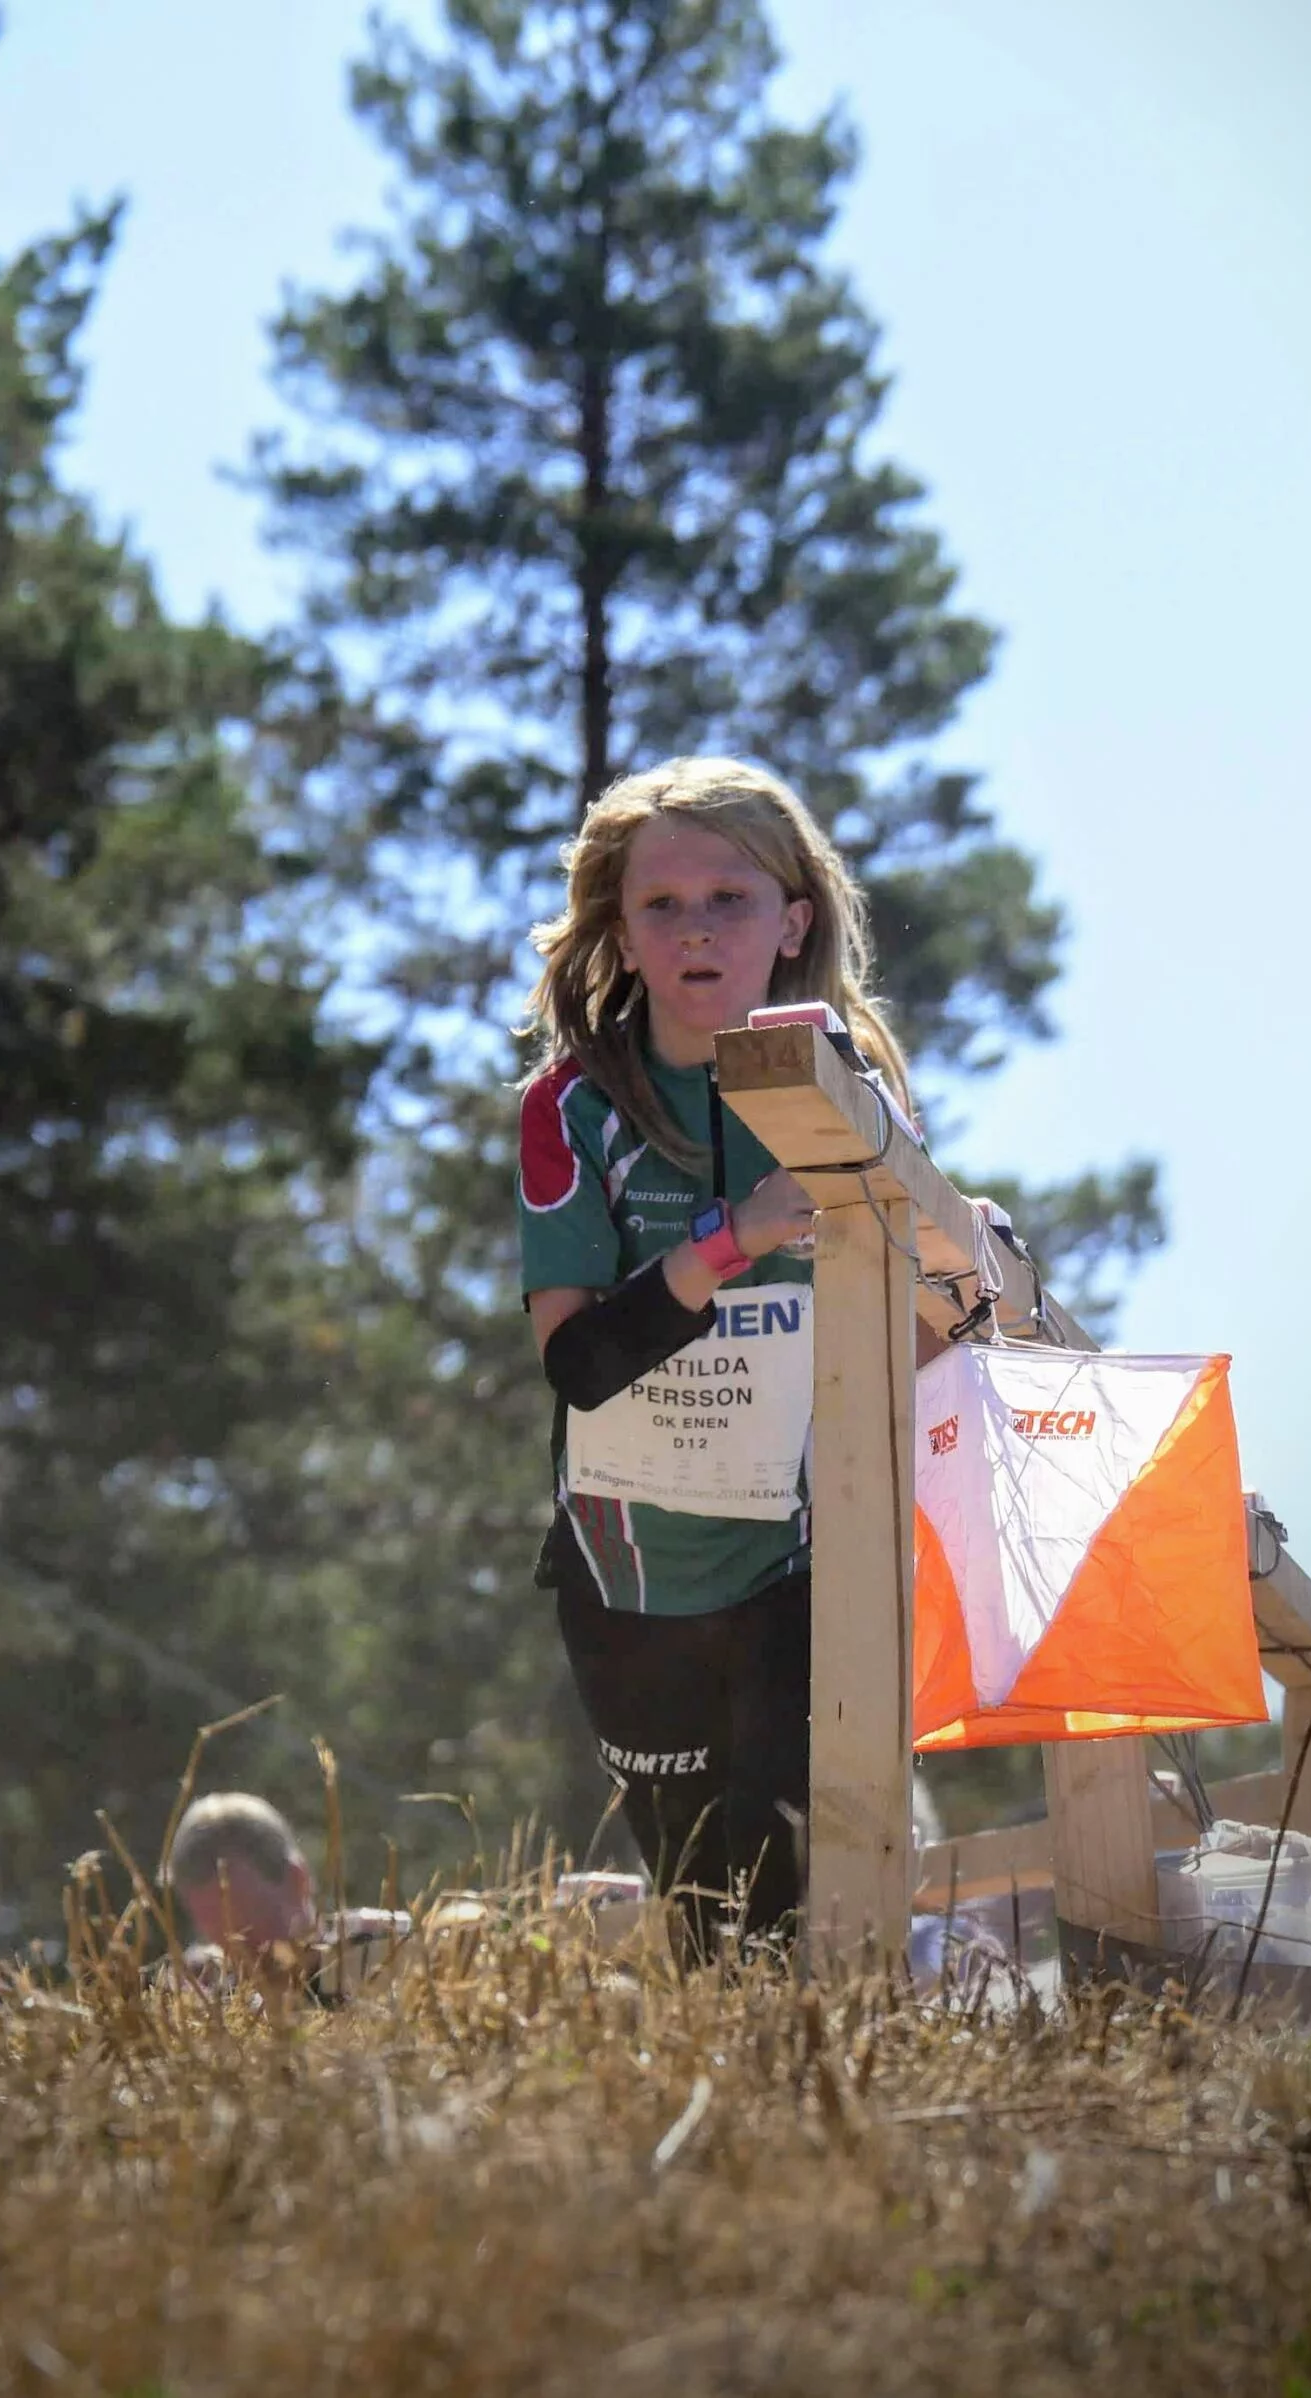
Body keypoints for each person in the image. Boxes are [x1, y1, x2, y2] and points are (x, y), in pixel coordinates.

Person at [518, 757, 914, 1962]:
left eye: (729, 900)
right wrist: (735, 1239)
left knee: (794, 1896)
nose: (697, 931)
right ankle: (727, 2138)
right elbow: (580, 1363)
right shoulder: (571, 1109)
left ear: (794, 919)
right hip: (629, 1574)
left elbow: (913, 1328)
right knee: (708, 1919)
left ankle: (832, 2124)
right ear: (621, 937)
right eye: (662, 906)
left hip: (802, 1558)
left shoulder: (858, 1089)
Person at [165, 1793, 317, 2010]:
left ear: (298, 1880)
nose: (243, 1955)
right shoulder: (210, 1985)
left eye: (250, 1928)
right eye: (220, 1938)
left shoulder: (370, 1956)